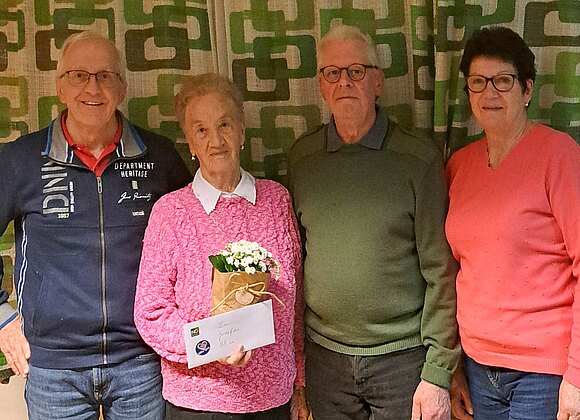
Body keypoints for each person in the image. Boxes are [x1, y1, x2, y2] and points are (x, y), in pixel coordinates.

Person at [0, 31, 191, 419]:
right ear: (60, 87)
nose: (92, 87)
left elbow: (193, 239)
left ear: (122, 88)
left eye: (105, 76)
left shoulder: (160, 157)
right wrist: (3, 318)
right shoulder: (20, 159)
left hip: (141, 363)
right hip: (53, 367)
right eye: (79, 75)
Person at [287, 24, 460, 420]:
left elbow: (441, 272)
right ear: (321, 85)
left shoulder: (418, 160)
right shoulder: (302, 159)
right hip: (325, 359)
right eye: (333, 72)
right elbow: (295, 261)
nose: (344, 82)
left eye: (357, 71)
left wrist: (437, 372)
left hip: (403, 359)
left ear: (378, 81)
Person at [133, 72, 308, 420]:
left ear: (242, 131)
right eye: (201, 130)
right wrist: (211, 346)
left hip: (273, 399)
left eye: (225, 124)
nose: (215, 140)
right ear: (190, 142)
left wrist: (300, 383)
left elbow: (297, 300)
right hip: (199, 403)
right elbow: (151, 312)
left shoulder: (277, 200)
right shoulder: (171, 212)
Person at [447, 27, 580, 420]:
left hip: (543, 372)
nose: (489, 93)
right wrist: (453, 367)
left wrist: (577, 376)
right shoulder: (458, 165)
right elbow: (451, 271)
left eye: (503, 81)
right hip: (477, 366)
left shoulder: (560, 156)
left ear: (526, 90)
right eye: (478, 82)